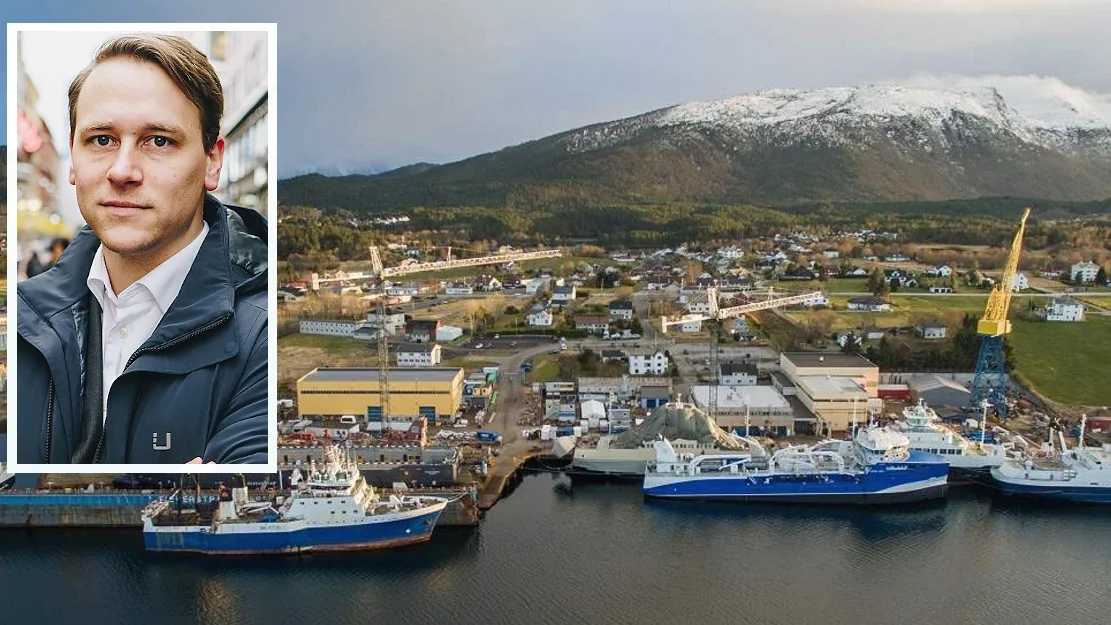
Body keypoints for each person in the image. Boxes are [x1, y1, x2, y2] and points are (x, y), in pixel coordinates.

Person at [16, 34, 269, 465]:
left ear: (212, 162)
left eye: (159, 141)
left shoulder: (262, 333)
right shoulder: (23, 318)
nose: (123, 171)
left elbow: (239, 495)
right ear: (73, 159)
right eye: (101, 140)